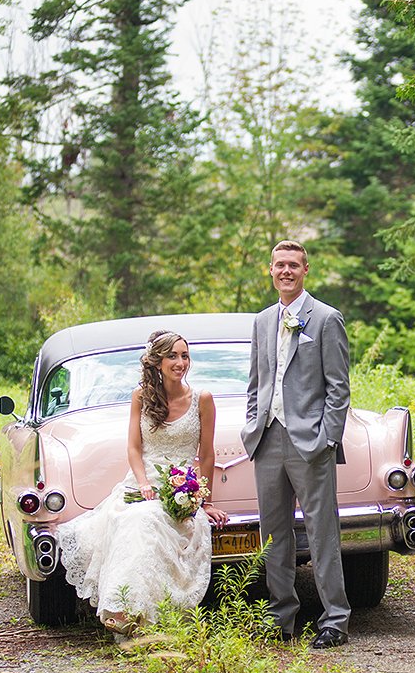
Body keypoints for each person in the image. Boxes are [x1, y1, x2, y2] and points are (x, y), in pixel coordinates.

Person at [57, 330, 229, 635]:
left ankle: (149, 615)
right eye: (172, 356)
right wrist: (144, 483)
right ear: (158, 362)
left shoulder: (202, 399)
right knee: (137, 519)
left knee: (151, 521)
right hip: (141, 483)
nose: (180, 362)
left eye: (185, 355)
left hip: (182, 487)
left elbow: (206, 454)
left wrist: (205, 500)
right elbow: (134, 449)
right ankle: (125, 612)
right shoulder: (141, 397)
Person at [241, 240, 352, 649]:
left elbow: (339, 389)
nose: (285, 271)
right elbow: (256, 382)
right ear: (269, 271)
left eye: (293, 265)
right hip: (267, 440)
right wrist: (253, 425)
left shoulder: (325, 318)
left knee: (323, 533)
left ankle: (334, 620)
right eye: (279, 265)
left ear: (306, 270)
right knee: (274, 535)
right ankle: (280, 617)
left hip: (311, 444)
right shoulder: (262, 321)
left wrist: (328, 439)